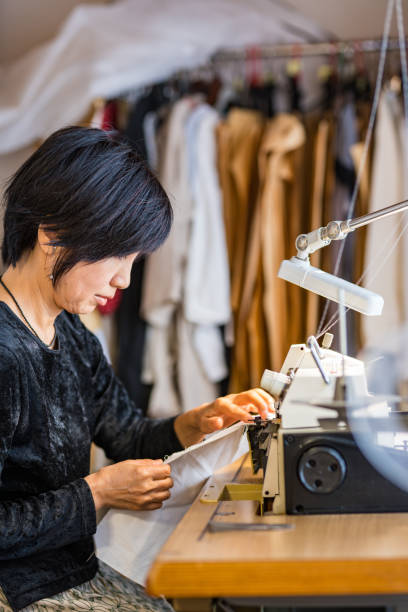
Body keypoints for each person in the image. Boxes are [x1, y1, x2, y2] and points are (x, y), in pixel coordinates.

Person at [0, 127, 274, 612]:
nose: (124, 279)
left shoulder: (74, 336)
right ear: (52, 234)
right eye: (117, 255)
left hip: (73, 571)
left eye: (133, 260)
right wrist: (99, 492)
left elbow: (126, 434)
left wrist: (195, 424)